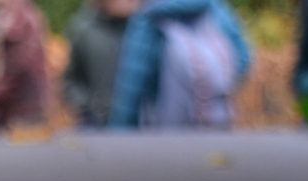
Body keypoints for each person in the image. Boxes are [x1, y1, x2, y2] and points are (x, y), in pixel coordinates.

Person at [107, 0, 250, 127]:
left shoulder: (149, 14)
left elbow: (132, 84)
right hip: (215, 125)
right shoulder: (214, 8)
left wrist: (119, 132)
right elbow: (243, 58)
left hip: (164, 129)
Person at [0, 0, 51, 131]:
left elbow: (20, 66)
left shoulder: (25, 21)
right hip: (7, 110)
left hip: (24, 109)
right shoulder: (0, 17)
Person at [64, 0, 139, 126]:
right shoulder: (83, 29)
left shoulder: (149, 31)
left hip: (140, 121)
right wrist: (88, 105)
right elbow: (69, 80)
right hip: (95, 122)